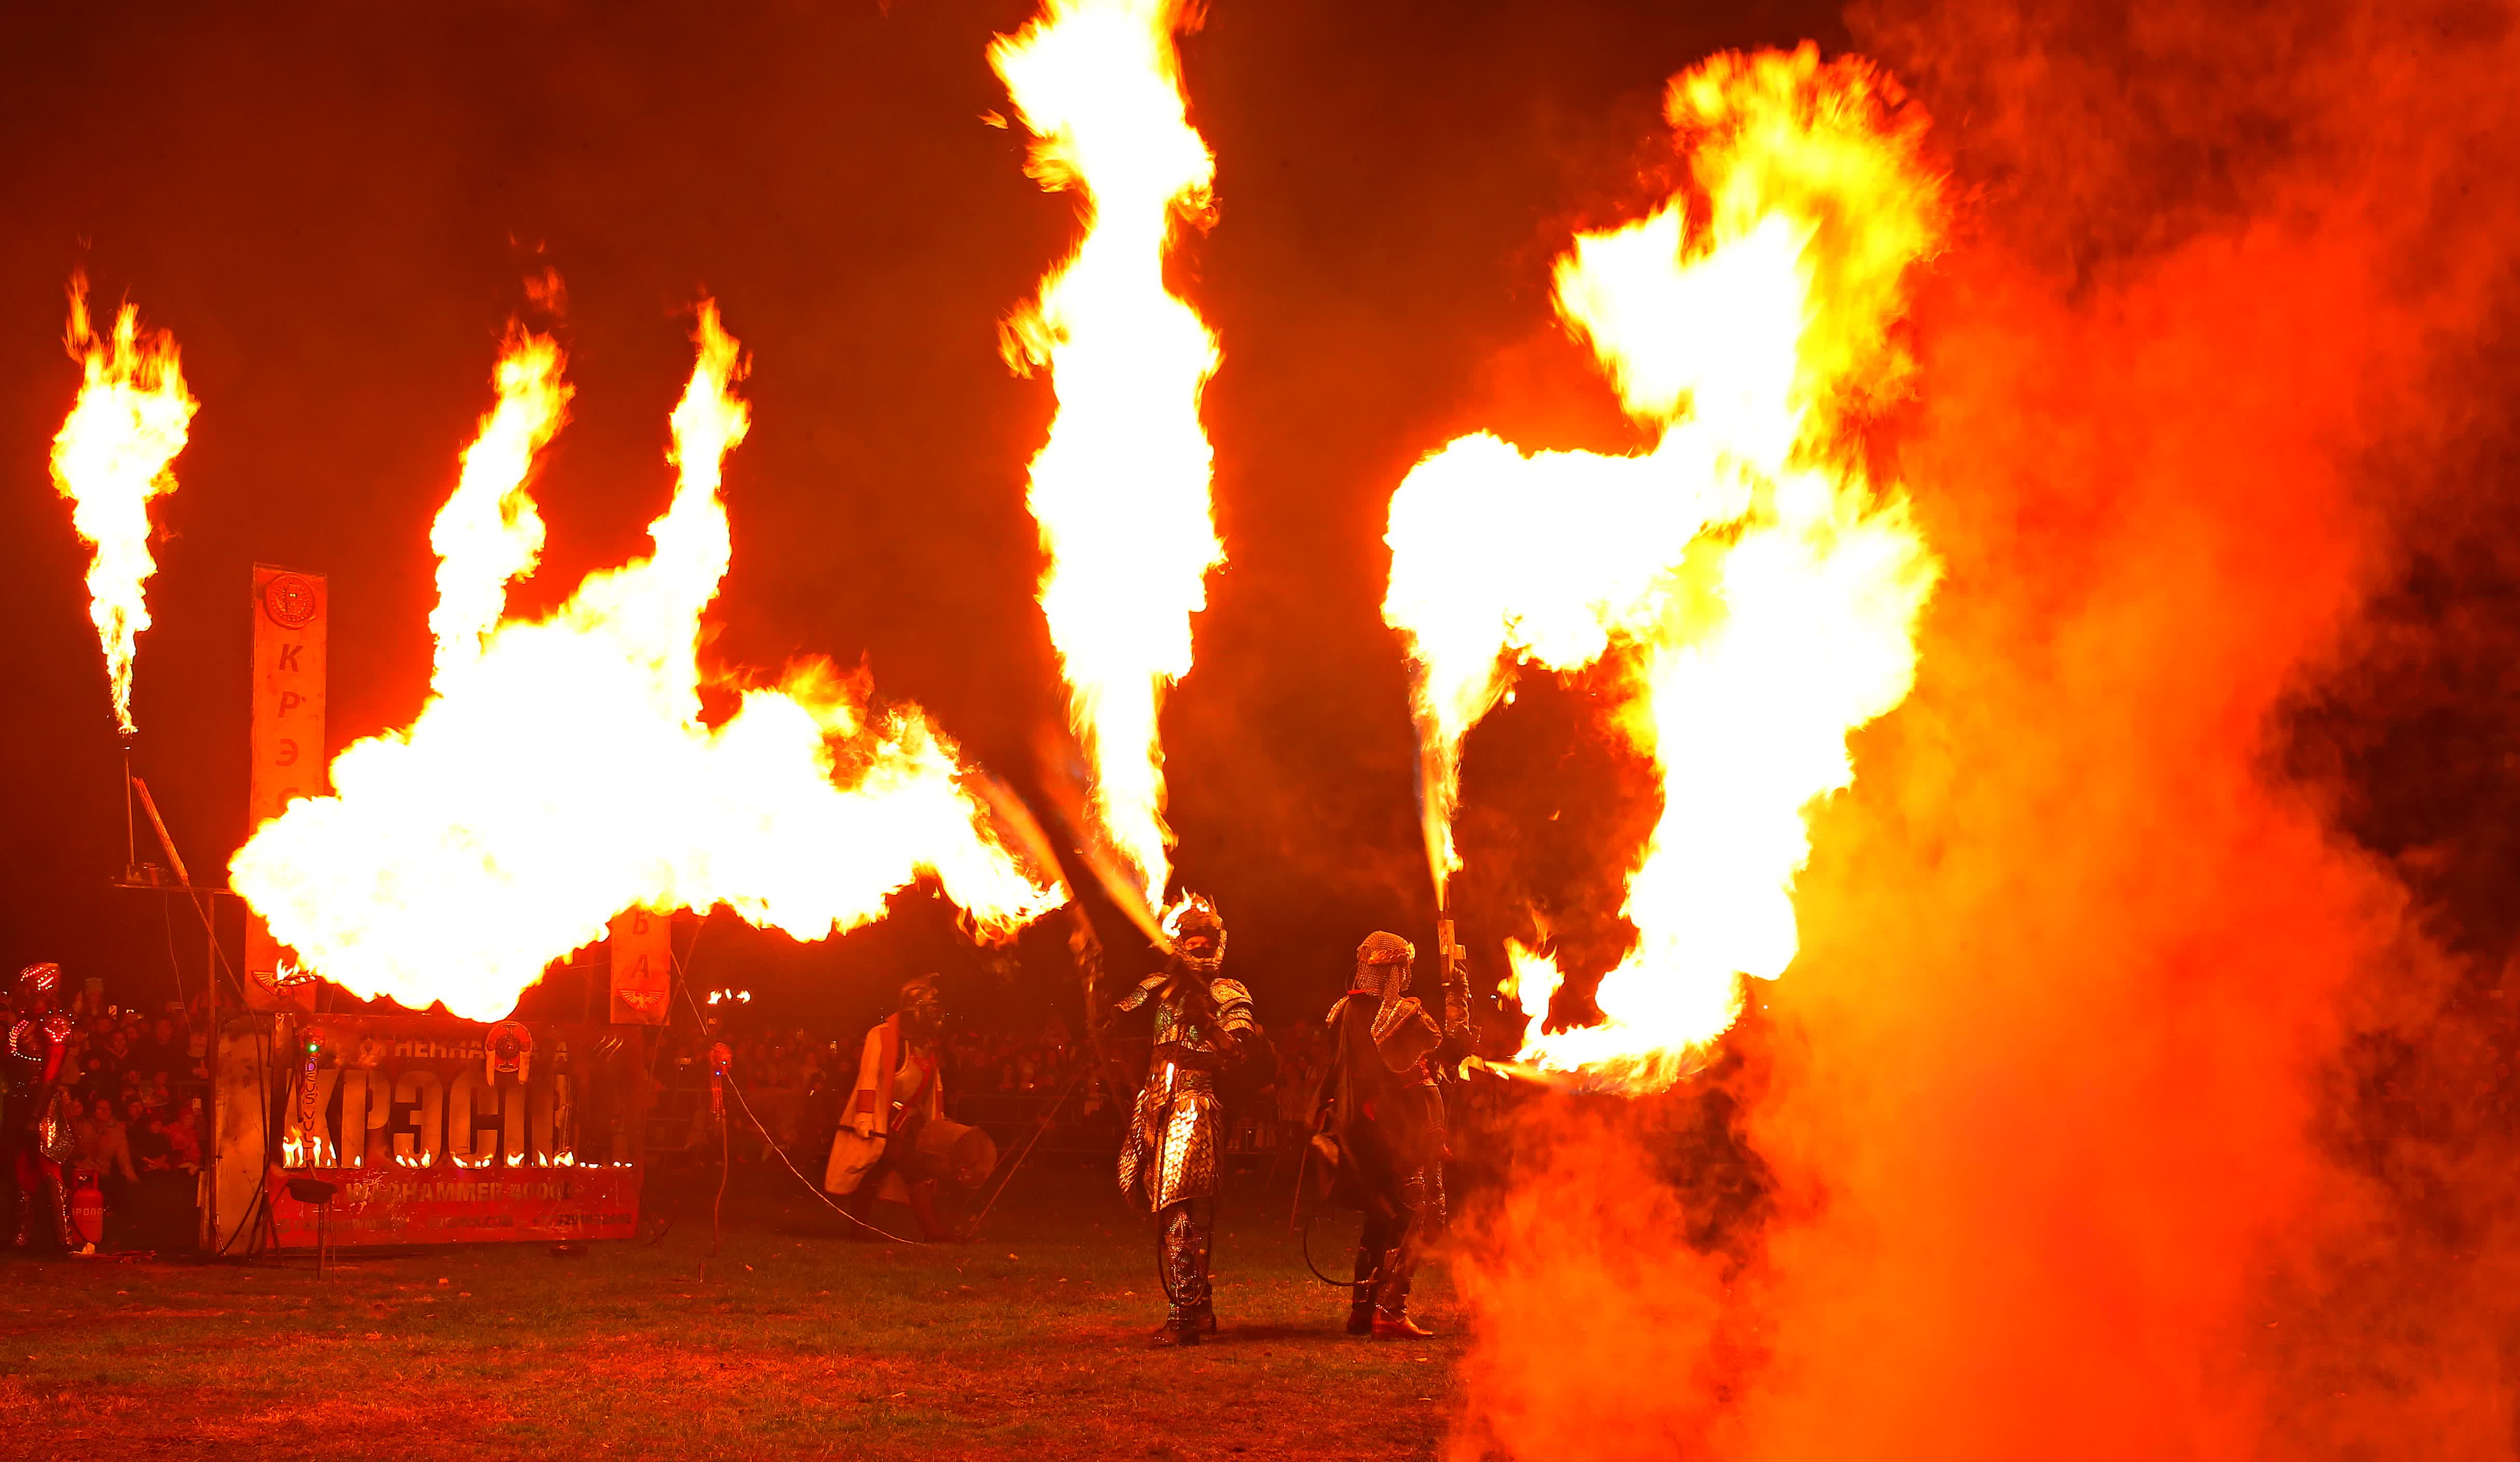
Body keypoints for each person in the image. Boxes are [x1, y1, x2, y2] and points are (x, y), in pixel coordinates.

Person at [1113, 895, 1273, 1347]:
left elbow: (1239, 1049)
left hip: (1193, 1101)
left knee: (1179, 1204)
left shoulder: (1228, 991)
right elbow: (1119, 1016)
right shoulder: (1160, 986)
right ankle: (1197, 1306)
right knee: (1157, 1202)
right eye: (1192, 940)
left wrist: (1210, 1027)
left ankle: (1184, 1313)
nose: (1200, 948)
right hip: (1155, 1101)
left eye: (1207, 942)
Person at [1320, 931, 1476, 1339]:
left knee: (1380, 1218)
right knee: (1411, 1218)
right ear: (1392, 969)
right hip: (1398, 1133)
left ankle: (1361, 1310)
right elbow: (1445, 1050)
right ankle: (1389, 1310)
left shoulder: (1341, 1012)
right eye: (1403, 967)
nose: (1406, 975)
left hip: (1362, 1133)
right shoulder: (1397, 1015)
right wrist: (1458, 1006)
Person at [836, 975, 953, 1240]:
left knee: (915, 1173)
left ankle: (930, 1231)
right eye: (930, 1008)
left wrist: (938, 1124)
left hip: (910, 1125)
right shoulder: (881, 1037)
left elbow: (934, 1089)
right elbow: (868, 1079)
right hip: (885, 1120)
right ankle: (861, 1229)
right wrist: (864, 1118)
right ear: (915, 1010)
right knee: (878, 1172)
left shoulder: (926, 1045)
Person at [3, 963, 75, 1248]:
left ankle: (64, 1238)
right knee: (23, 1164)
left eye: (26, 987)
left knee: (50, 1165)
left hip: (44, 1104)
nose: (21, 992)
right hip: (20, 1099)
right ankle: (22, 1235)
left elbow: (52, 1071)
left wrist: (37, 1112)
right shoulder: (23, 1022)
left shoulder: (56, 1023)